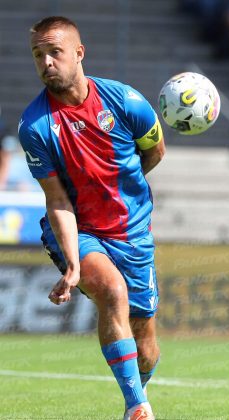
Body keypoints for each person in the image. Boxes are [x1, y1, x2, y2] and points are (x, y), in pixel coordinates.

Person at [18, 16, 165, 420]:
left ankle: (134, 393)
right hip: (79, 229)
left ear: (79, 53)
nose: (46, 62)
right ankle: (139, 408)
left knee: (146, 339)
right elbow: (58, 199)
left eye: (55, 52)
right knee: (112, 292)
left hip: (133, 230)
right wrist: (72, 262)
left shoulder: (126, 102)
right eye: (38, 55)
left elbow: (154, 151)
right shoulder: (35, 126)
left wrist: (117, 189)